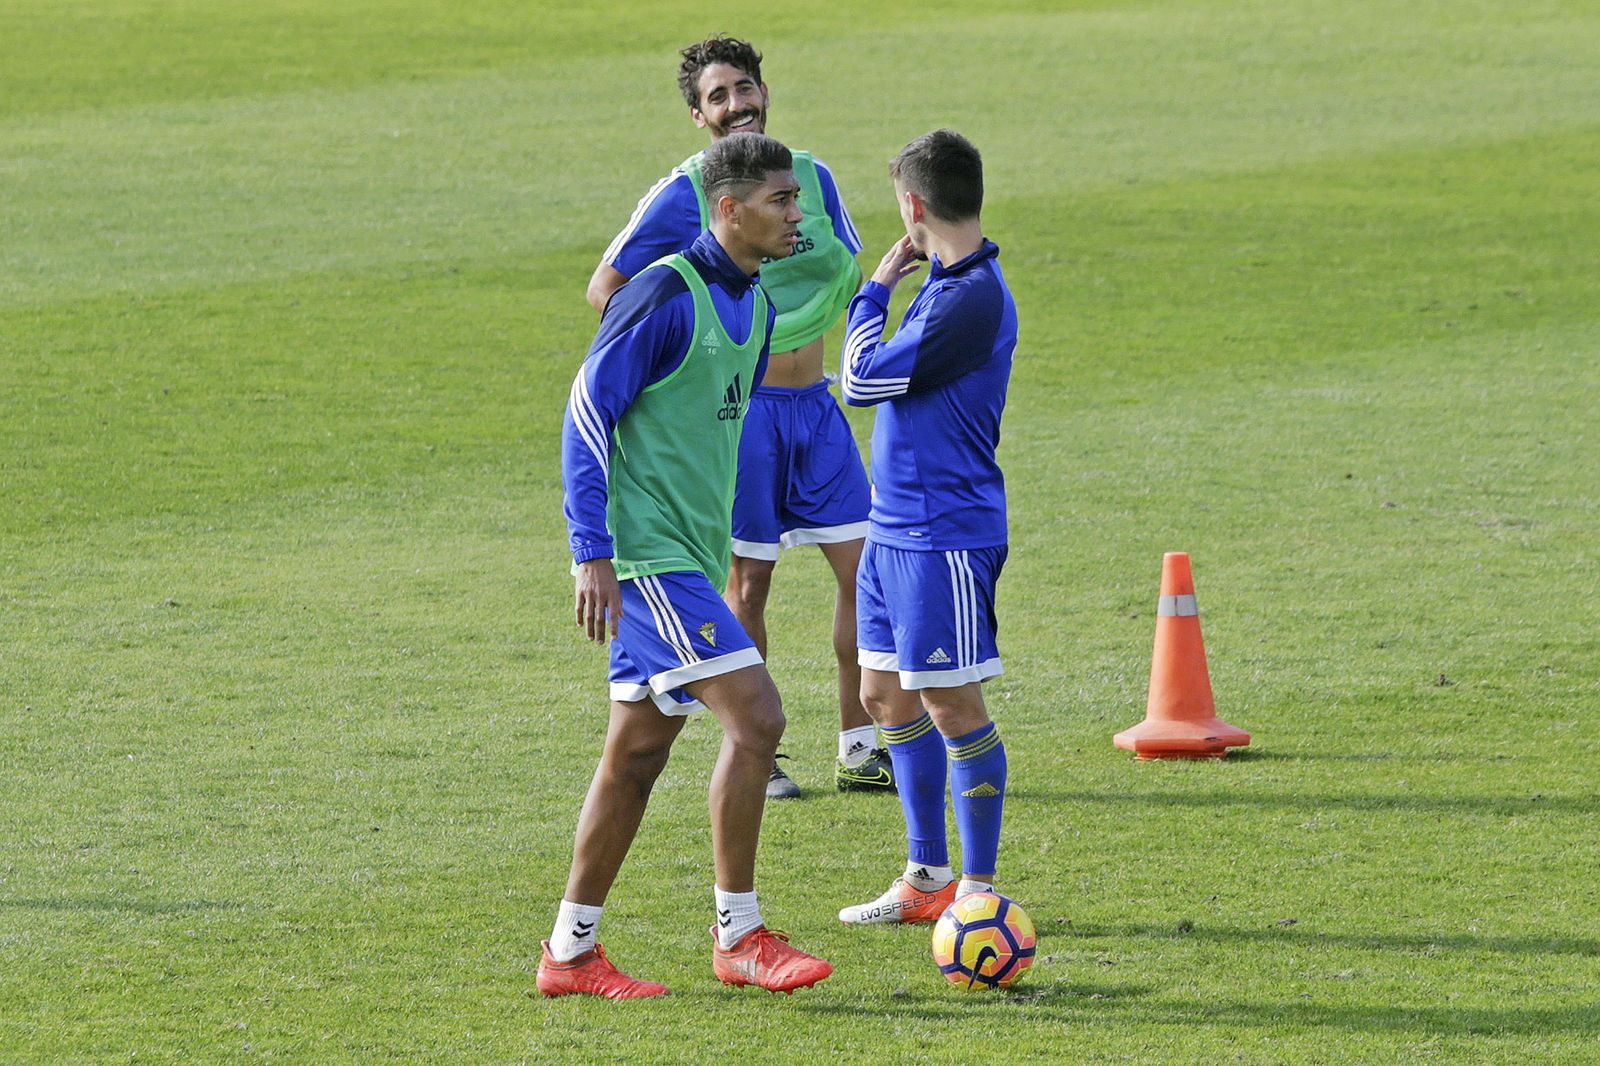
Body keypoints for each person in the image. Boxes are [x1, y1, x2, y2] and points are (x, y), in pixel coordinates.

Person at [538, 134, 832, 998]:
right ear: (728, 208)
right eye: (781, 200)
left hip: (692, 558)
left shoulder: (760, 305)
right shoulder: (667, 291)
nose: (797, 213)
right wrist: (593, 553)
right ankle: (739, 934)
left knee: (633, 762)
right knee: (759, 719)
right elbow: (587, 414)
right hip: (647, 559)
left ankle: (570, 953)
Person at [587, 35, 891, 799]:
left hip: (818, 411)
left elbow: (846, 272)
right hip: (745, 415)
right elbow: (608, 291)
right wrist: (699, 368)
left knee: (865, 572)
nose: (736, 106)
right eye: (717, 97)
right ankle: (762, 752)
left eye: (744, 89)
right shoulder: (680, 194)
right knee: (749, 581)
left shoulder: (810, 178)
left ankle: (859, 744)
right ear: (698, 115)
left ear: (765, 93)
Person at [834, 130, 1018, 926]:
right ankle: (926, 873)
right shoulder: (947, 283)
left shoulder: (970, 298)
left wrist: (872, 292)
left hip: (943, 533)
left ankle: (976, 890)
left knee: (952, 703)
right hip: (893, 527)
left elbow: (859, 380)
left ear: (913, 205)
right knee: (882, 693)